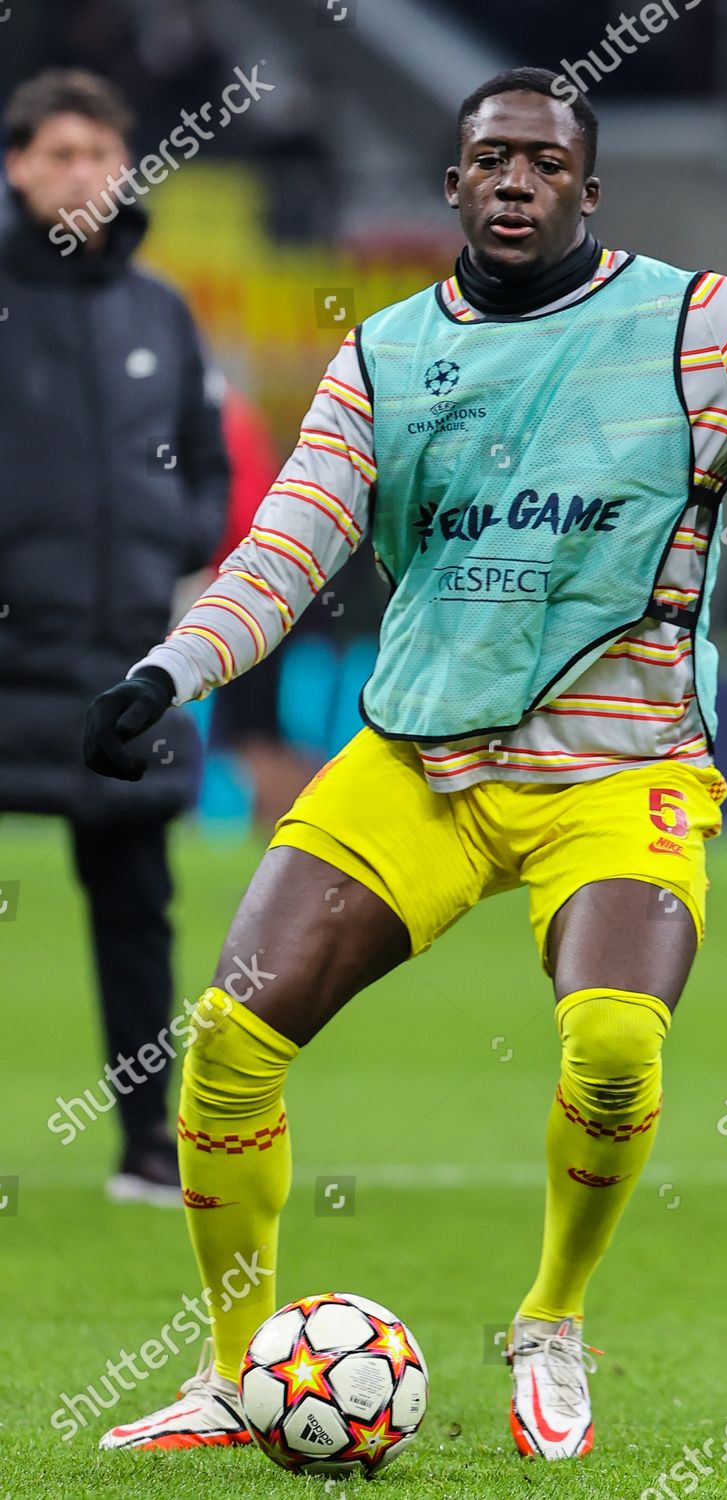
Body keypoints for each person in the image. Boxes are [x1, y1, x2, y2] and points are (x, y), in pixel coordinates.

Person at [85, 67, 727, 1461]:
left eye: (545, 165)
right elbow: (290, 543)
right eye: (490, 159)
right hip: (422, 752)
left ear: (588, 190)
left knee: (615, 1043)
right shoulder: (382, 356)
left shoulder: (700, 325)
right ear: (451, 183)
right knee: (226, 1048)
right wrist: (171, 671)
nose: (515, 181)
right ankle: (231, 1366)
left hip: (623, 766)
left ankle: (553, 1320)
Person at [0, 69, 229, 1203]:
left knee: (138, 905)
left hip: (118, 667)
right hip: (6, 663)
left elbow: (210, 467)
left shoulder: (162, 311)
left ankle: (147, 1142)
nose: (82, 171)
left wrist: (162, 545)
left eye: (99, 151)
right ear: (17, 167)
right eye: (59, 152)